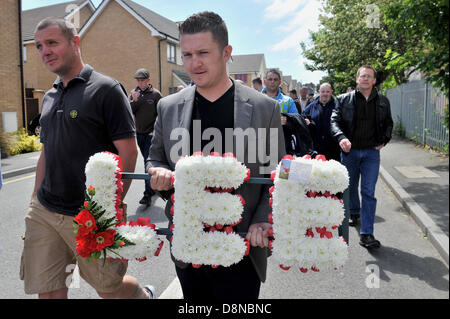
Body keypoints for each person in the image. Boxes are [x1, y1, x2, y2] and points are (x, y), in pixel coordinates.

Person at [146, 11, 284, 300]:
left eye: (203, 53)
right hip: (188, 244)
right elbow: (155, 158)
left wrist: (262, 219)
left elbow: (275, 174)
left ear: (226, 53)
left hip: (243, 244)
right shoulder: (168, 107)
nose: (194, 63)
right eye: (186, 54)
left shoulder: (264, 108)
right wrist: (158, 174)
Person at [20, 17, 154, 299]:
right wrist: (34, 200)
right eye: (40, 46)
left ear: (75, 42)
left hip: (90, 215)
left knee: (110, 290)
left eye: (52, 43)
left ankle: (143, 295)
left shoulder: (105, 89)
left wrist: (108, 210)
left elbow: (128, 152)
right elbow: (47, 150)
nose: (45, 51)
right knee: (49, 292)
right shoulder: (50, 96)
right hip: (45, 211)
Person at [331, 65, 393, 249]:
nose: (365, 79)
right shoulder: (343, 100)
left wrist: (385, 140)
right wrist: (341, 138)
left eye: (369, 76)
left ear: (374, 80)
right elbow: (334, 121)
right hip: (350, 153)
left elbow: (389, 123)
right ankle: (354, 211)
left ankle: (367, 233)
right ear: (357, 79)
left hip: (371, 153)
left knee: (368, 191)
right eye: (362, 76)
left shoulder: (383, 101)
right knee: (349, 187)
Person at [129, 68, 162, 206]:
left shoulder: (155, 95)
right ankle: (152, 188)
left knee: (146, 164)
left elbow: (162, 113)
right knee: (146, 161)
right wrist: (134, 101)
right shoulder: (134, 94)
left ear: (148, 80)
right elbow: (129, 112)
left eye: (143, 80)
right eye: (138, 80)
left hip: (151, 134)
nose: (140, 83)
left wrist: (155, 130)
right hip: (139, 133)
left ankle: (147, 195)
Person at [302, 83, 341, 161]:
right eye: (323, 91)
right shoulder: (312, 106)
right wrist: (306, 121)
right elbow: (302, 117)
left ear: (331, 92)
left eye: (327, 91)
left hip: (333, 150)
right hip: (316, 149)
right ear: (319, 92)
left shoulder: (338, 106)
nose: (325, 94)